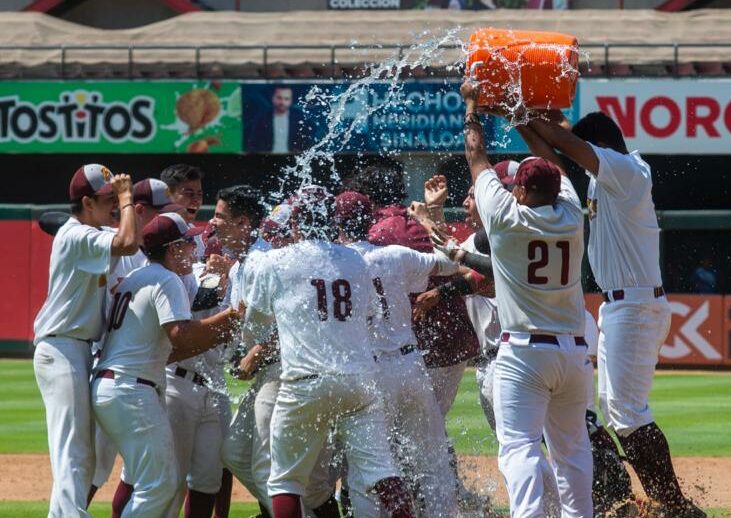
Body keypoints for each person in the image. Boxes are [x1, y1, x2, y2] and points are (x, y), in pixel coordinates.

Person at [526, 110, 706, 517]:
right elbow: (557, 159)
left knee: (627, 412)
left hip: (636, 304)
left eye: (586, 149)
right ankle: (668, 501)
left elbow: (567, 147)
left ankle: (676, 505)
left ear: (600, 146)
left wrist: (527, 114)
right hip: (621, 304)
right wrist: (520, 123)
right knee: (617, 411)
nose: (579, 157)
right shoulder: (602, 178)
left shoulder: (629, 171)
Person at [243, 185, 415, 518]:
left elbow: (255, 325)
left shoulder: (276, 261)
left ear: (296, 223)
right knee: (382, 474)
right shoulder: (353, 258)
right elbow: (367, 315)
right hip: (358, 380)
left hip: (304, 381)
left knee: (285, 482)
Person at [461, 80, 592, 517]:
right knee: (572, 452)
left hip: (524, 352)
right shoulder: (573, 215)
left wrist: (472, 105)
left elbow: (476, 157)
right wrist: (518, 115)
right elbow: (556, 164)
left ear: (519, 189)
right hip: (574, 352)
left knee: (518, 447)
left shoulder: (504, 218)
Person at [91, 212, 240, 518]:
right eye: (187, 242)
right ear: (173, 249)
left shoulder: (138, 277)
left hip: (116, 385)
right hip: (131, 388)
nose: (193, 248)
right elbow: (181, 337)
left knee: (152, 479)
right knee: (159, 484)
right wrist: (229, 319)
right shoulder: (166, 278)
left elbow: (172, 348)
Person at [335, 190, 463, 518]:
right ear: (372, 220)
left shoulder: (335, 263)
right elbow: (451, 261)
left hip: (370, 373)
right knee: (433, 462)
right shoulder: (393, 255)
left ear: (338, 224)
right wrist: (429, 220)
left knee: (369, 469)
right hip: (409, 365)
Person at [33, 164, 139, 517]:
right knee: (73, 452)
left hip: (75, 349)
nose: (113, 205)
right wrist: (127, 198)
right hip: (62, 347)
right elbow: (126, 242)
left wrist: (119, 201)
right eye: (107, 198)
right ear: (86, 202)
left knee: (81, 452)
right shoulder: (78, 236)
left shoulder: (84, 232)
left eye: (114, 198)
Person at [160, 163, 206, 259]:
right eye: (189, 194)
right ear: (167, 195)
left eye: (199, 194)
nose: (196, 200)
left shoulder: (196, 234)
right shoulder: (153, 234)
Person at [247, 86, 310, 153]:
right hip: (267, 159)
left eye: (286, 99)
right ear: (273, 98)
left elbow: (306, 142)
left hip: (293, 159)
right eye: (279, 98)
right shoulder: (263, 118)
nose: (282, 102)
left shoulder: (299, 118)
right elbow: (253, 143)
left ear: (291, 100)